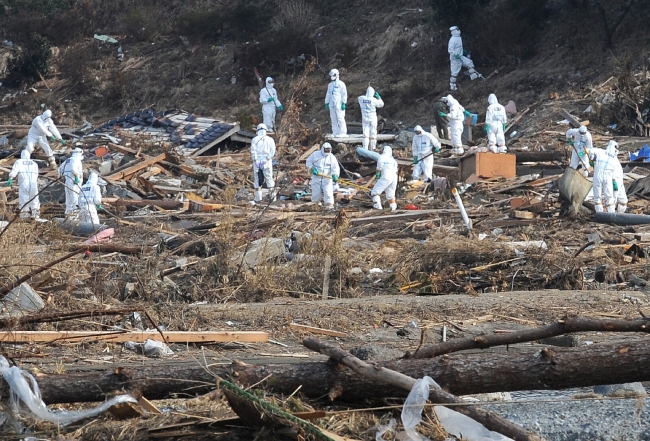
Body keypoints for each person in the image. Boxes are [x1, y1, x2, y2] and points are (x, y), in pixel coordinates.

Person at [8, 150, 41, 220]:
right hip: (33, 184)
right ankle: (36, 215)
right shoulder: (34, 163)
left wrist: (10, 178)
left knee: (24, 200)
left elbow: (14, 172)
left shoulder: (19, 162)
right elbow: (37, 174)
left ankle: (25, 216)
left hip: (24, 184)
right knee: (35, 199)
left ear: (21, 155)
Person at [306, 142, 340, 209]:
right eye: (326, 150)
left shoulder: (332, 157)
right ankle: (315, 207)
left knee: (328, 194)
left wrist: (335, 175)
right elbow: (308, 162)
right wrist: (312, 169)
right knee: (316, 194)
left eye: (328, 150)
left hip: (327, 179)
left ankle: (329, 208)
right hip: (316, 178)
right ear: (323, 149)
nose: (327, 151)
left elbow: (335, 167)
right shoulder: (315, 154)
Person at [448, 26, 480, 91]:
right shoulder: (452, 40)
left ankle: (474, 78)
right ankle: (452, 86)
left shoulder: (458, 38)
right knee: (454, 72)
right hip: (455, 59)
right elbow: (450, 50)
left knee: (469, 63)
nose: (459, 30)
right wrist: (456, 55)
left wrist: (463, 51)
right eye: (457, 29)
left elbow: (459, 47)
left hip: (460, 56)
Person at [590, 140, 618, 213]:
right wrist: (614, 180)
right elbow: (614, 172)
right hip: (607, 177)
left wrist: (592, 158)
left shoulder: (600, 152)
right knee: (609, 196)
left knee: (597, 196)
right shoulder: (614, 159)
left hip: (598, 176)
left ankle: (600, 213)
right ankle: (611, 214)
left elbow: (590, 151)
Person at [250, 123, 276, 203]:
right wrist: (267, 158)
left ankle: (258, 199)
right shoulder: (270, 140)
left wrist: (256, 160)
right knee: (269, 179)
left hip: (257, 161)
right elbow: (272, 151)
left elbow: (253, 151)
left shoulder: (254, 139)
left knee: (257, 179)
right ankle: (273, 199)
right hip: (267, 161)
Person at [371, 145, 398, 211]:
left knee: (375, 192)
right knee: (391, 195)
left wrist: (377, 177)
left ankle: (378, 208)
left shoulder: (382, 157)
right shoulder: (393, 160)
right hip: (394, 178)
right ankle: (393, 209)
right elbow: (396, 170)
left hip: (386, 176)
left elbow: (379, 166)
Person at [58, 147, 83, 215]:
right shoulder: (76, 160)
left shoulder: (68, 160)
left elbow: (60, 169)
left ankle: (68, 214)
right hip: (74, 181)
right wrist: (76, 178)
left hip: (67, 180)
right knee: (75, 196)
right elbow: (73, 169)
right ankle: (75, 215)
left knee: (69, 198)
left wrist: (61, 176)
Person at [358, 86, 384, 150]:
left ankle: (365, 148)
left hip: (365, 118)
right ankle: (373, 148)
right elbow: (381, 104)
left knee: (365, 134)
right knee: (373, 133)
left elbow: (359, 98)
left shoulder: (361, 98)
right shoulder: (374, 100)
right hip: (373, 118)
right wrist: (379, 97)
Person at [324, 68, 347, 136]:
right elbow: (328, 94)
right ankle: (335, 132)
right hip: (332, 103)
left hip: (339, 103)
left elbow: (344, 94)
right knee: (333, 118)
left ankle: (343, 132)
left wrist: (343, 102)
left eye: (333, 75)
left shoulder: (341, 84)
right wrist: (326, 103)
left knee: (340, 118)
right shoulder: (330, 85)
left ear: (337, 75)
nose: (332, 77)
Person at [609, 141, 627, 213]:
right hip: (614, 181)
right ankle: (611, 215)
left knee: (623, 201)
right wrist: (613, 181)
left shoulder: (615, 158)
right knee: (612, 199)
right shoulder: (609, 157)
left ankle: (620, 214)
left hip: (620, 182)